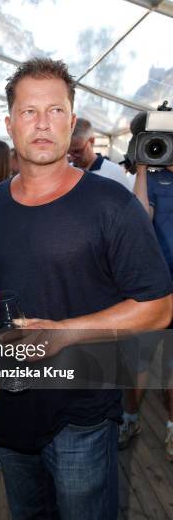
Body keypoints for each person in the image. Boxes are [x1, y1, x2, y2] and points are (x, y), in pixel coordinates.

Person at [0, 58, 172, 520]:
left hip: (83, 409)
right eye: (29, 112)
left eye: (55, 110)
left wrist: (64, 333)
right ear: (9, 123)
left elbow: (159, 307)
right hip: (15, 402)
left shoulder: (112, 205)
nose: (42, 123)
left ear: (71, 119)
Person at [119, 111, 173, 460]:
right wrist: (141, 167)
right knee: (137, 360)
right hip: (155, 288)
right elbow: (141, 218)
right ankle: (130, 418)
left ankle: (171, 429)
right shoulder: (149, 180)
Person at [69, 117, 133, 189]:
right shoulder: (66, 171)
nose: (72, 156)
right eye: (68, 152)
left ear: (92, 141)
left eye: (77, 151)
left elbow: (126, 200)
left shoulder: (114, 173)